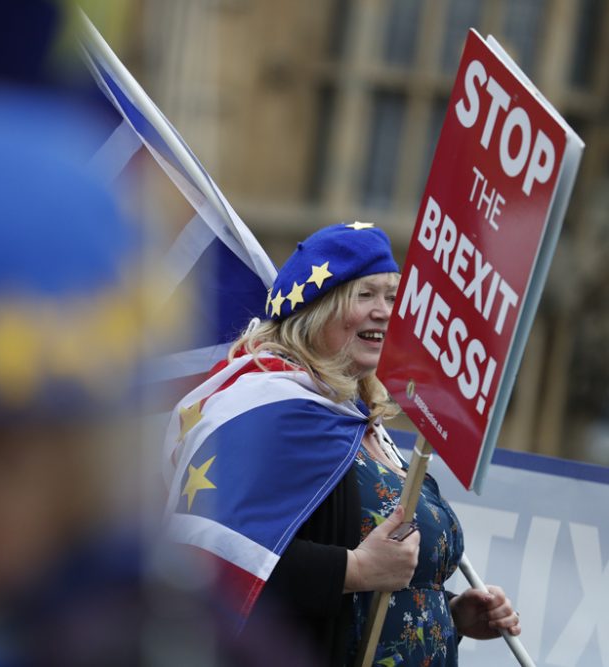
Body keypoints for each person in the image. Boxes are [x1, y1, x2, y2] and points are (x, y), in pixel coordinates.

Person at [161, 222, 522, 665]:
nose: (386, 310)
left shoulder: (360, 422)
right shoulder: (267, 411)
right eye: (365, 294)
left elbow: (378, 587)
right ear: (317, 308)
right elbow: (210, 562)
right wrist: (354, 570)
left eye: (392, 297)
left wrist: (445, 612)